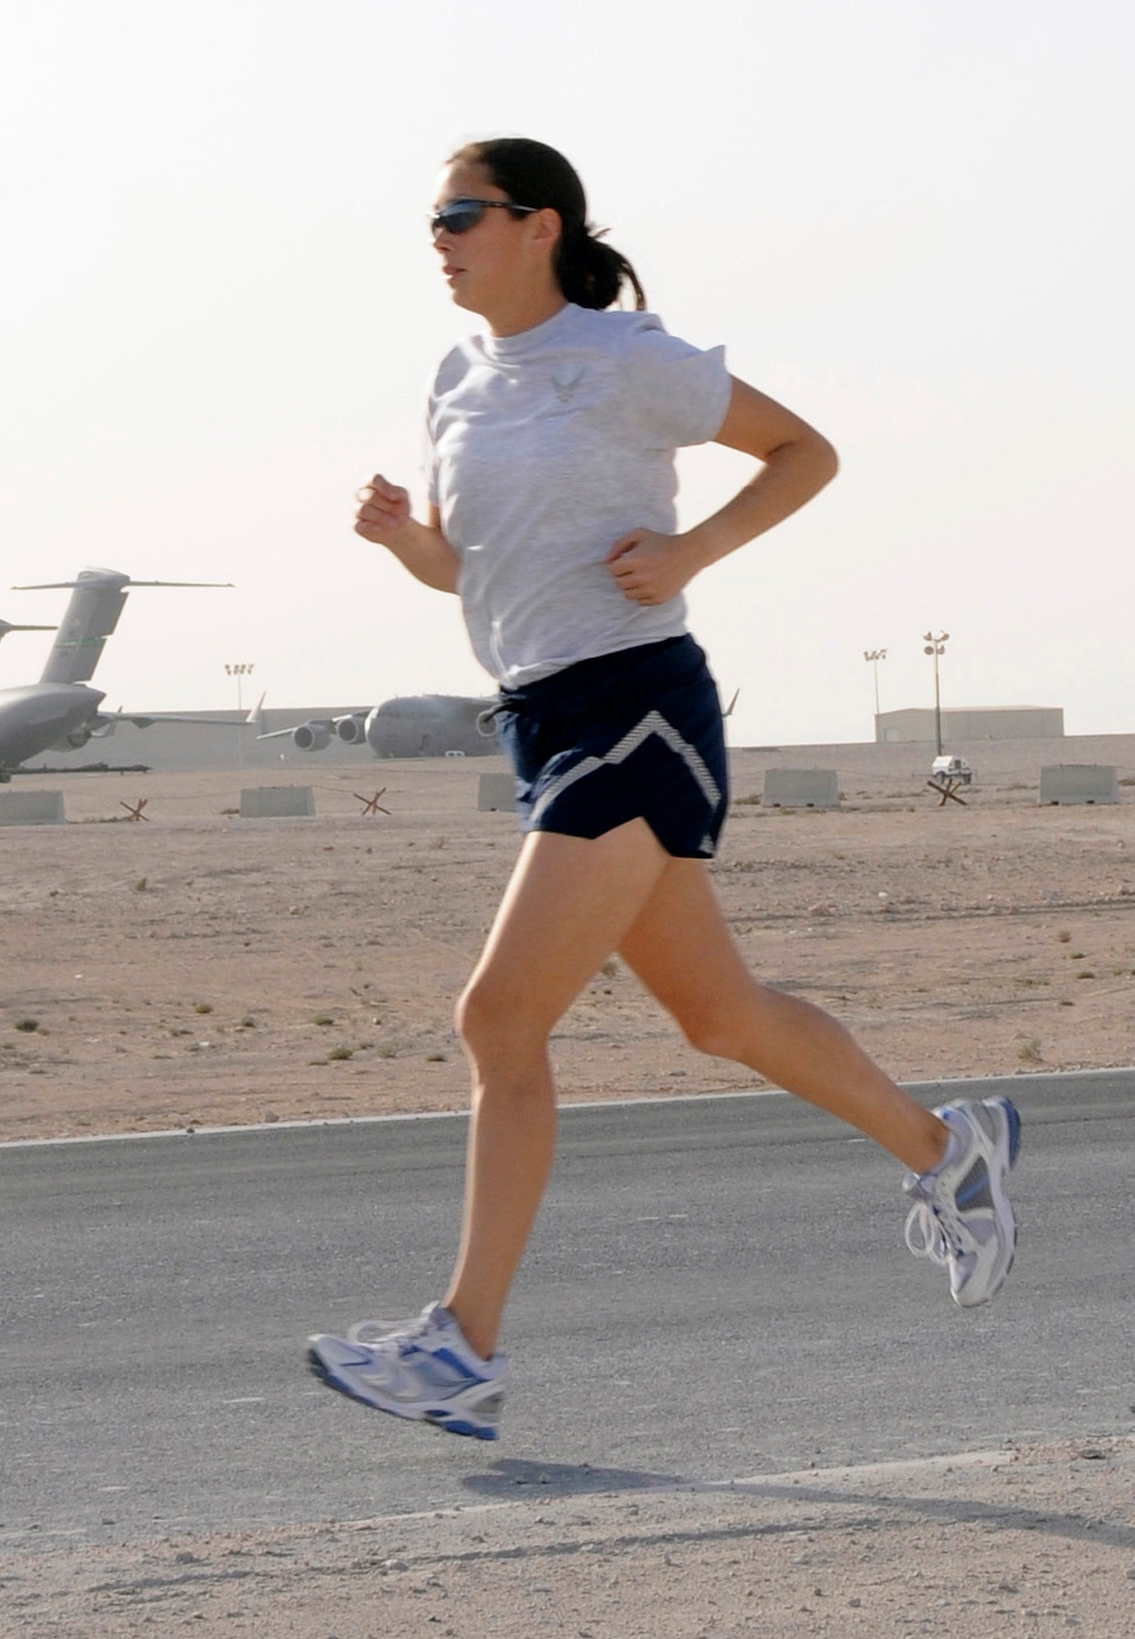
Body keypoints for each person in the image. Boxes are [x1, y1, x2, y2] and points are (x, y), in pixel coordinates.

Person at [307, 137, 1018, 1441]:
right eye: (432, 219)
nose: (441, 236)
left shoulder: (627, 359)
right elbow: (470, 575)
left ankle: (461, 1348)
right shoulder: (458, 379)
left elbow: (803, 451)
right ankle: (944, 1148)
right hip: (537, 713)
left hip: (635, 704)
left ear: (539, 225)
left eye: (462, 214)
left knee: (497, 1019)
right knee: (720, 1016)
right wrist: (410, 543)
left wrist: (695, 545)